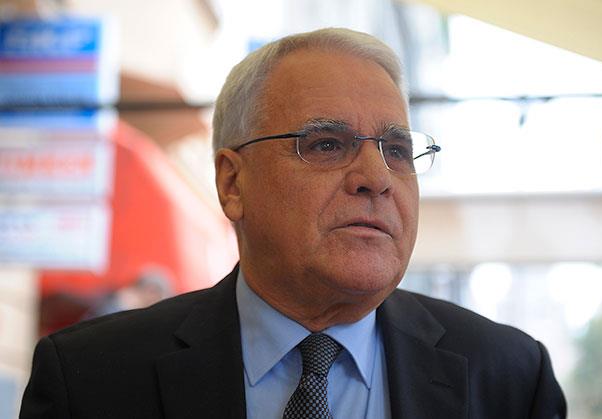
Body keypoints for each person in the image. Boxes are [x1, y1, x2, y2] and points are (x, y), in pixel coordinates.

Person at [20, 28, 566, 419]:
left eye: (397, 150)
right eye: (326, 144)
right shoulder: (89, 379)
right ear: (233, 184)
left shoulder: (511, 378)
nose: (377, 178)